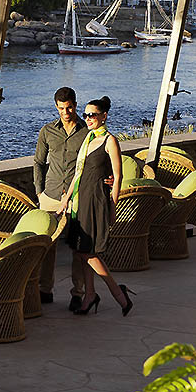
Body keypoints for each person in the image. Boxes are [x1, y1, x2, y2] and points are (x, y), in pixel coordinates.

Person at [57, 96, 133, 317]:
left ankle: (116, 291)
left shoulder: (110, 141)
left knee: (87, 252)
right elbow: (78, 174)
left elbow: (117, 177)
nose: (88, 118)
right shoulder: (87, 139)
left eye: (93, 115)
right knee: (81, 250)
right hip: (80, 200)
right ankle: (90, 294)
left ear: (104, 116)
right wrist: (66, 199)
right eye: (86, 114)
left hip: (96, 201)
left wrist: (113, 207)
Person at [33, 87, 88, 310]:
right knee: (47, 245)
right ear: (56, 107)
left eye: (70, 107)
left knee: (78, 246)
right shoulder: (47, 131)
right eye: (62, 108)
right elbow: (38, 162)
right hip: (51, 194)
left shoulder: (87, 132)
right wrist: (39, 192)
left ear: (75, 104)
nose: (66, 112)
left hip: (77, 196)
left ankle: (78, 293)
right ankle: (45, 289)